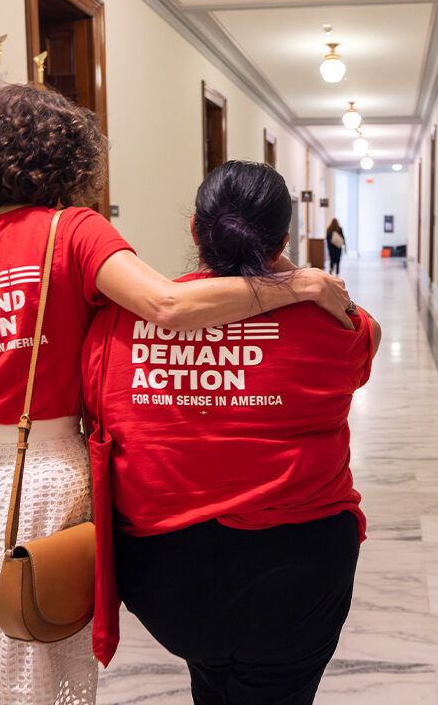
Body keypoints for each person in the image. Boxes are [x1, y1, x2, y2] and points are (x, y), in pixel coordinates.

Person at [0, 86, 353, 705]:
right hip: (39, 479)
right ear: (71, 159)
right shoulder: (73, 232)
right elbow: (167, 305)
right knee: (36, 665)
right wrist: (301, 282)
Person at [82, 160, 381, 705]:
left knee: (211, 677)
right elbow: (363, 344)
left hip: (163, 577)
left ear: (197, 231)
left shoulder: (117, 321)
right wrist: (290, 276)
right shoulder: (335, 322)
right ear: (283, 239)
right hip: (297, 571)